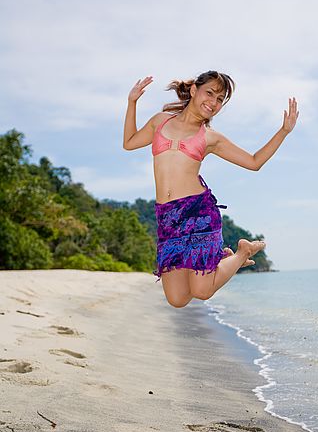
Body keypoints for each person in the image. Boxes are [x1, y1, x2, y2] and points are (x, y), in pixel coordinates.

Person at [123, 70, 299, 308]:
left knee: (202, 291)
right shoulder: (159, 121)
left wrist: (284, 132)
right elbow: (129, 142)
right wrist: (132, 101)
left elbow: (254, 162)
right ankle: (221, 259)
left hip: (198, 214)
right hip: (167, 218)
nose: (214, 102)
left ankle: (241, 253)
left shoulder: (210, 138)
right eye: (210, 93)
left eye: (220, 99)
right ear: (194, 90)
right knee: (177, 299)